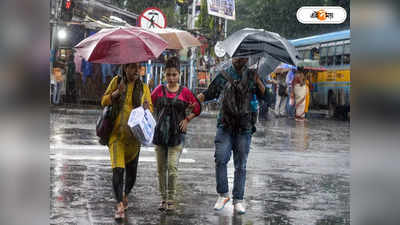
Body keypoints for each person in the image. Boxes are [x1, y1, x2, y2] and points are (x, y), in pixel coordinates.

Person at [197, 57, 266, 214]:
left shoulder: (252, 76)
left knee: (240, 164)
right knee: (220, 158)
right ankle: (223, 194)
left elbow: (267, 97)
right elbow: (210, 93)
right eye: (236, 55)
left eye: (242, 55)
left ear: (248, 58)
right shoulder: (224, 74)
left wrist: (259, 82)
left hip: (245, 127)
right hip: (225, 125)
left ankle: (238, 200)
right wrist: (194, 101)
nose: (239, 58)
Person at [101, 62, 153, 220]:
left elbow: (150, 110)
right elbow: (103, 101)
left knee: (132, 176)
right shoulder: (117, 81)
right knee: (118, 170)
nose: (136, 70)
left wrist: (146, 108)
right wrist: (116, 93)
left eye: (138, 67)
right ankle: (119, 206)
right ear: (125, 68)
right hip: (116, 136)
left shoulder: (144, 87)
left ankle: (125, 195)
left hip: (134, 139)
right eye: (132, 67)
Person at [151, 57, 201, 211]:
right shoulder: (159, 90)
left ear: (179, 74)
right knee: (161, 169)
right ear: (164, 75)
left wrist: (187, 119)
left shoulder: (185, 92)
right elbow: (149, 104)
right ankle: (163, 198)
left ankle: (171, 198)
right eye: (168, 75)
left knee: (172, 168)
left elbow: (198, 108)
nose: (171, 78)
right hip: (160, 135)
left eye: (174, 75)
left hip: (177, 136)